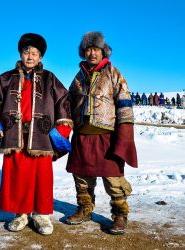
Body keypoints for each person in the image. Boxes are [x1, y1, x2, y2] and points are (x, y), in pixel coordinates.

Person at [0, 33, 73, 235]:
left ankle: (41, 215)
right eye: (26, 52)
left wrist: (61, 131)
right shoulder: (5, 79)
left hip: (42, 135)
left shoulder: (50, 79)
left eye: (34, 53)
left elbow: (64, 104)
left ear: (40, 57)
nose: (30, 57)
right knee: (17, 176)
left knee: (42, 177)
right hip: (14, 135)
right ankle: (20, 213)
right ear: (21, 54)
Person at [66, 32, 138, 235]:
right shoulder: (78, 77)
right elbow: (68, 103)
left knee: (113, 178)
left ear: (103, 51)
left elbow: (125, 105)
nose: (92, 53)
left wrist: (124, 135)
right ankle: (84, 209)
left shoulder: (114, 74)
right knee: (81, 176)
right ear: (83, 52)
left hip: (107, 135)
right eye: (88, 49)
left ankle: (120, 215)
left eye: (96, 49)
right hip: (81, 134)